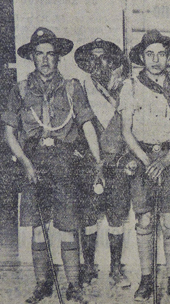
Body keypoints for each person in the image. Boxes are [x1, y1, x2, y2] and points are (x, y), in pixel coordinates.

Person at [2, 27, 103, 304]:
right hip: (33, 161)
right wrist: (24, 163)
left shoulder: (72, 87)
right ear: (32, 58)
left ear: (57, 57)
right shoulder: (20, 89)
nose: (45, 59)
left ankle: (73, 286)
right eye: (39, 54)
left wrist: (97, 161)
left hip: (64, 163)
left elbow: (87, 126)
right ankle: (42, 285)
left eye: (50, 54)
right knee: (38, 227)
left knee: (68, 226)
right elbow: (10, 132)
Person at [119, 29, 170, 303]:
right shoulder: (131, 86)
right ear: (142, 57)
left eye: (161, 54)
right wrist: (147, 160)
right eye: (150, 54)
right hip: (142, 159)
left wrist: (167, 158)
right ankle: (147, 279)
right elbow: (126, 131)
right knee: (145, 219)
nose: (156, 60)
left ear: (168, 56)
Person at [74, 38, 130, 288]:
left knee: (117, 217)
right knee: (88, 217)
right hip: (90, 164)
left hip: (118, 163)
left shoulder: (125, 88)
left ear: (113, 61)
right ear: (86, 63)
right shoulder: (80, 89)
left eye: (104, 57)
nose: (98, 63)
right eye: (93, 58)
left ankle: (116, 269)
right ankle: (88, 267)